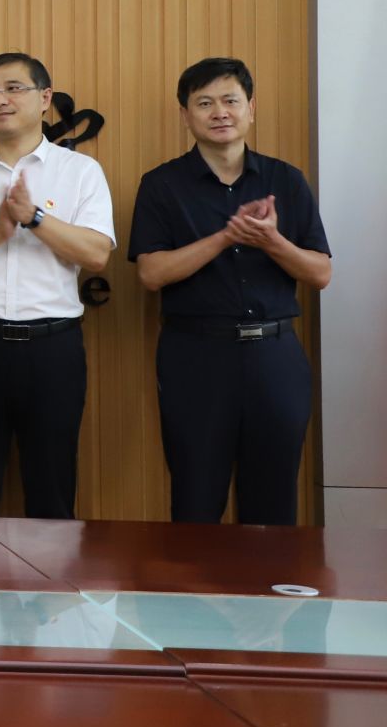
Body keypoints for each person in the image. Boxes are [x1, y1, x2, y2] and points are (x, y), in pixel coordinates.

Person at [128, 57, 332, 526]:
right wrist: (226, 236)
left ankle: (267, 576)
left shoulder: (286, 180)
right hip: (195, 356)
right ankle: (193, 579)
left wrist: (272, 240)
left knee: (274, 500)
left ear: (251, 108)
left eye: (230, 101)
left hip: (275, 356)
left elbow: (320, 274)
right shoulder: (162, 185)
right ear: (185, 115)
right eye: (204, 103)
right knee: (196, 496)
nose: (219, 112)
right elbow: (152, 274)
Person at [0, 53, 114, 519]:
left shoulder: (80, 171)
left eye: (14, 88)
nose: (0, 100)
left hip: (53, 347)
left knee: (52, 488)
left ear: (45, 98)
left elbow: (96, 254)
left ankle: (51, 571)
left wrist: (33, 218)